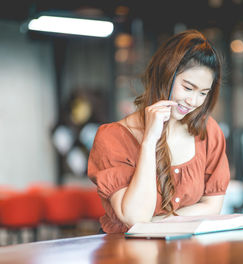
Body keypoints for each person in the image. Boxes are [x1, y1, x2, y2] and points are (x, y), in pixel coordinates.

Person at [87, 30, 230, 233]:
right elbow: (136, 217)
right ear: (165, 75)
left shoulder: (208, 132)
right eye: (188, 88)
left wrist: (156, 223)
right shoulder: (113, 138)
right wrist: (149, 141)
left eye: (203, 93)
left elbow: (212, 206)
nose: (193, 102)